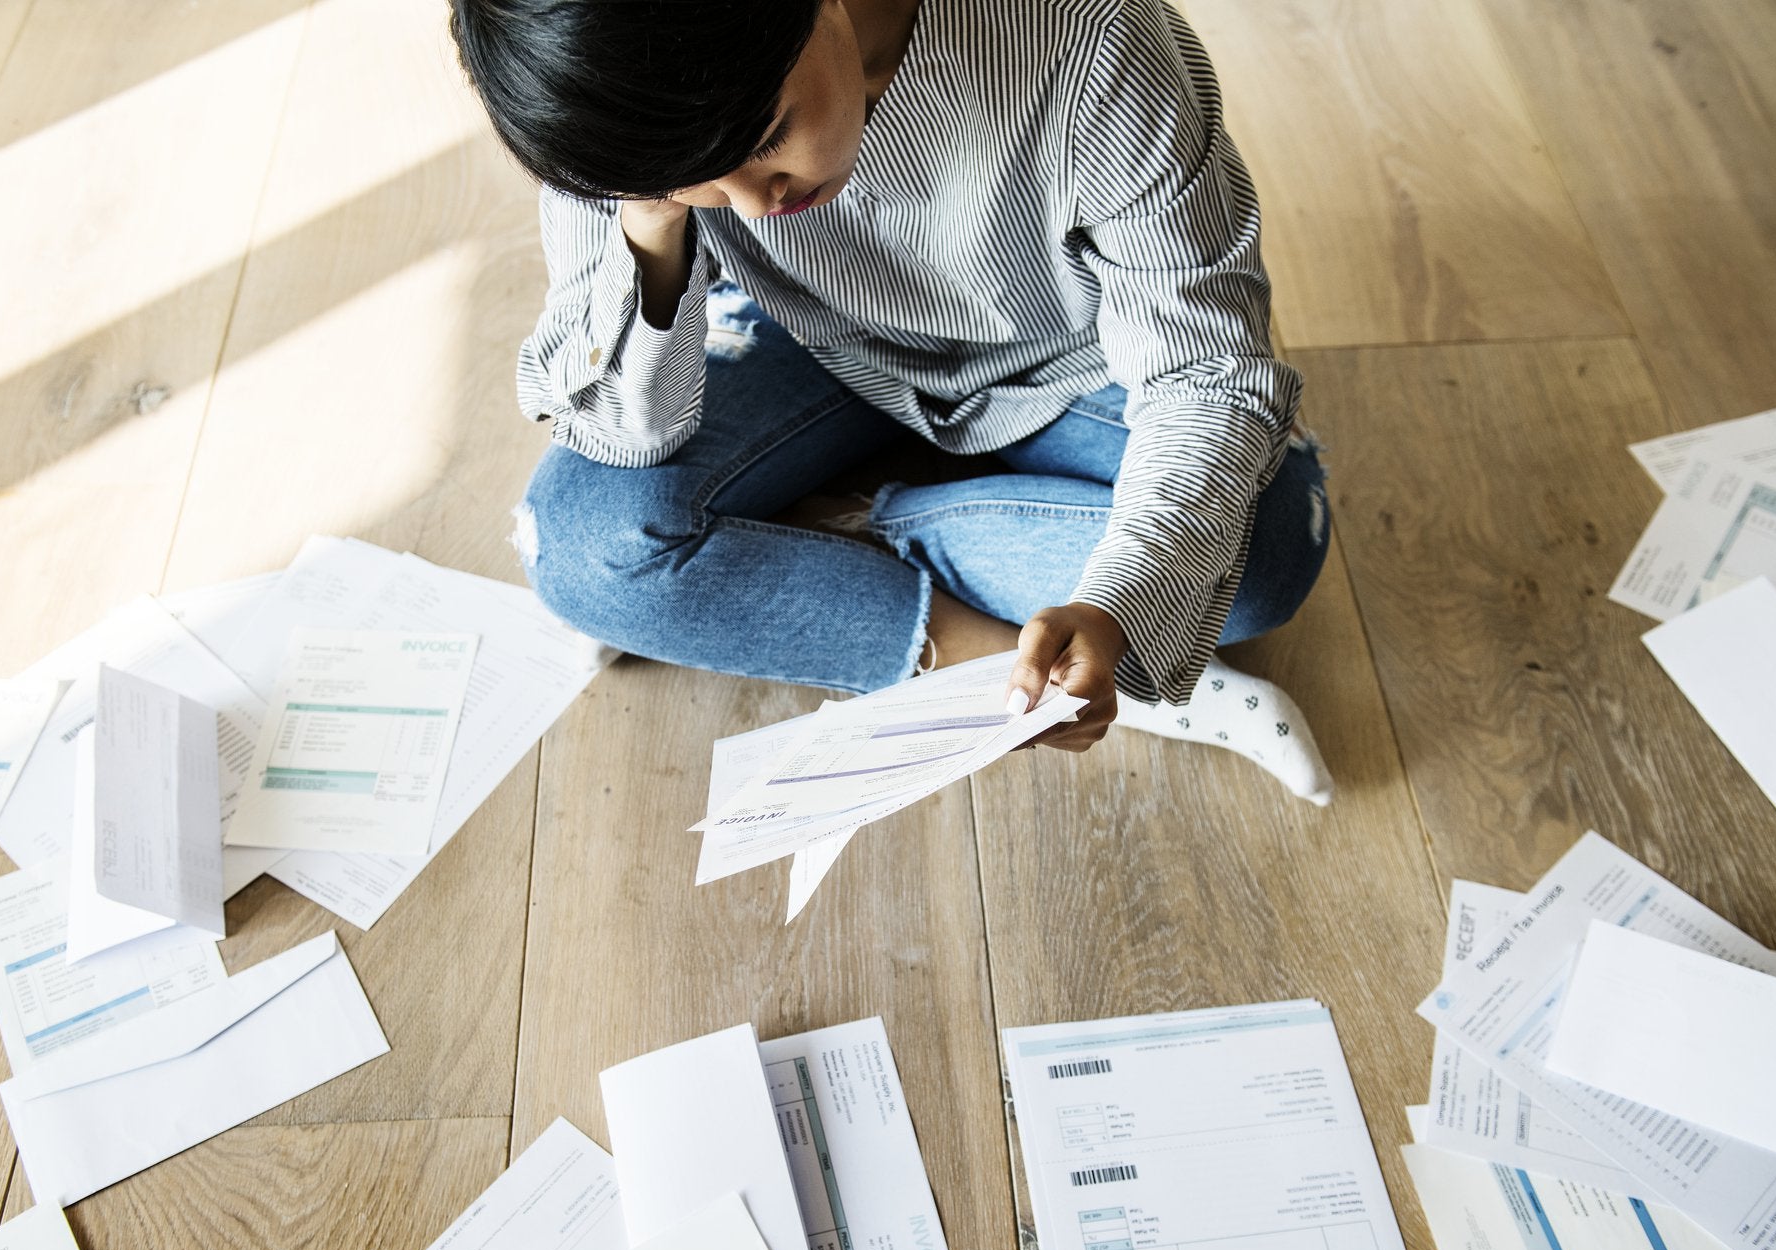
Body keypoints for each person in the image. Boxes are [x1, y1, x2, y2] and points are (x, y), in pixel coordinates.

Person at [449, 0, 1333, 800]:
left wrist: (1116, 596)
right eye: (693, 183)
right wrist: (649, 220)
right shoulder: (607, 83)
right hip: (813, 340)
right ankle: (1020, 673)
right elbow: (620, 431)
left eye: (763, 137)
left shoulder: (1088, 42)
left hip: (1071, 358)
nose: (755, 208)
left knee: (1260, 564)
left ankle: (800, 547)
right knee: (581, 544)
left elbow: (1206, 371)